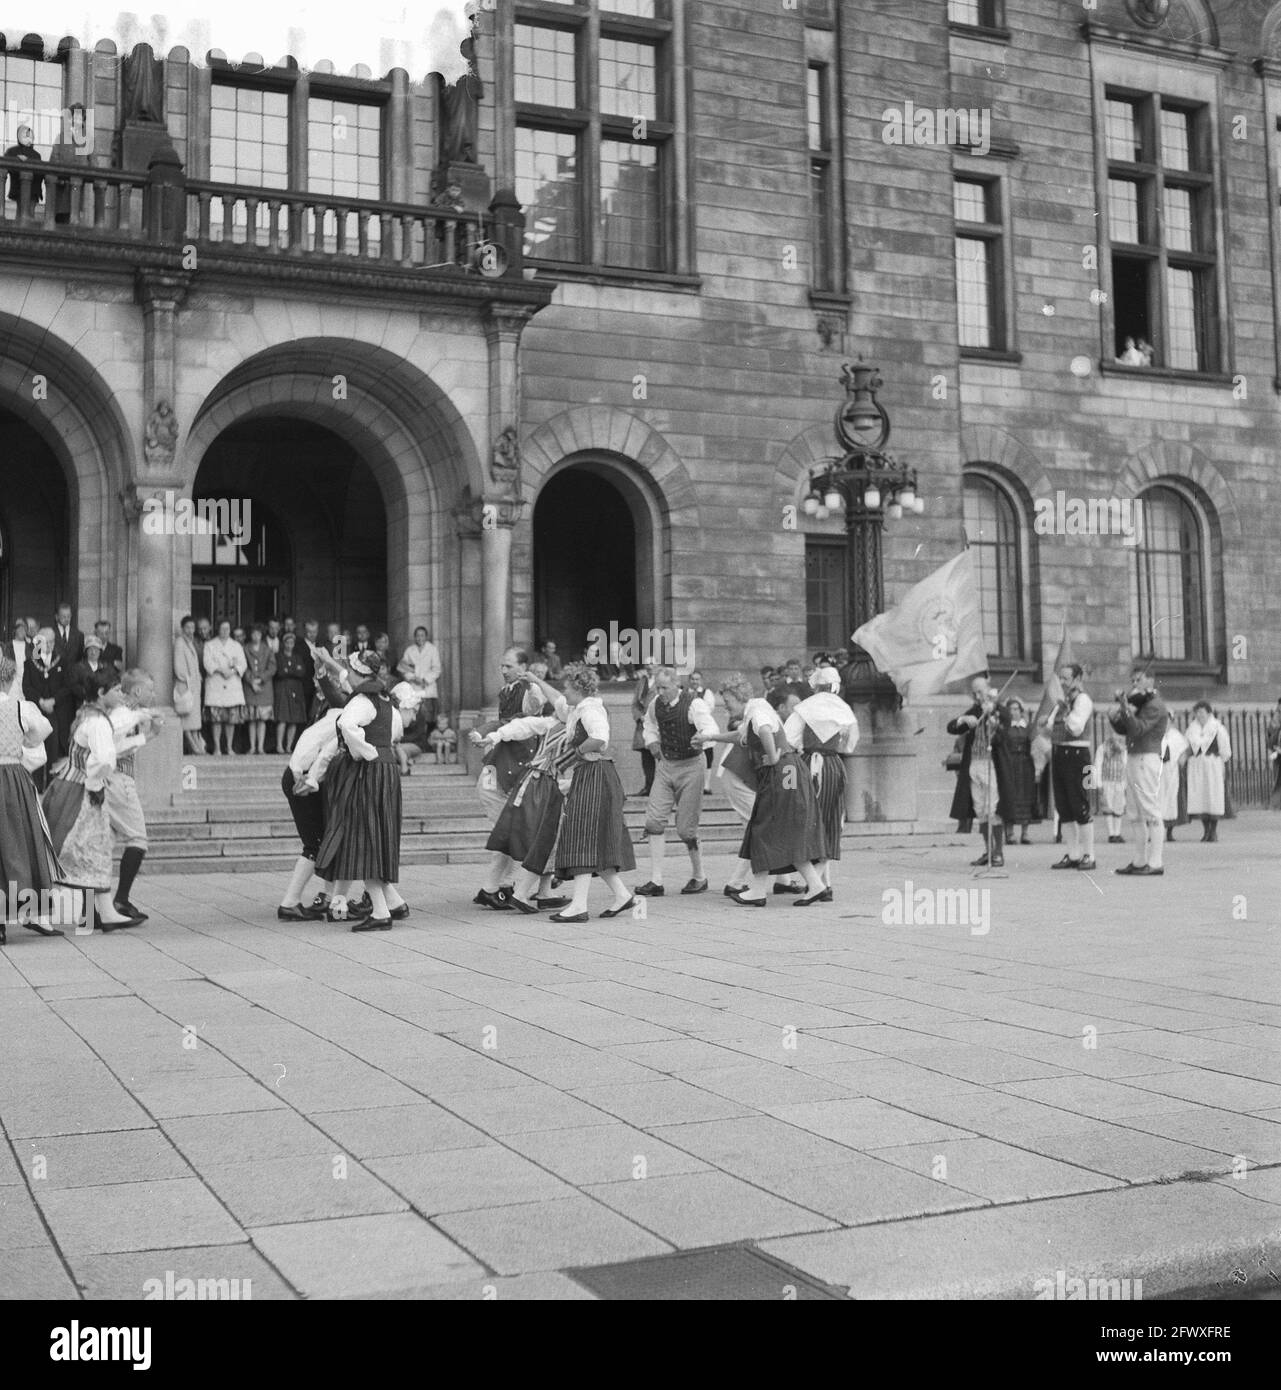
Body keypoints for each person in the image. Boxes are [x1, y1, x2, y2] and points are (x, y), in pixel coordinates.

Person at [313, 653, 413, 931]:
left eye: (350, 671)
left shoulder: (361, 701)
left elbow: (346, 724)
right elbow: (394, 733)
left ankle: (381, 912)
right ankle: (391, 903)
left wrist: (363, 752)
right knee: (377, 835)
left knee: (366, 836)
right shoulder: (385, 700)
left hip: (369, 771)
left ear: (359, 673)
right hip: (387, 771)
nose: (347, 675)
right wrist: (327, 664)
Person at [703, 685, 827, 906]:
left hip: (782, 772)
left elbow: (765, 731)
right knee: (776, 828)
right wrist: (710, 736)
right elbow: (740, 736)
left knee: (764, 826)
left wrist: (772, 756)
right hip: (788, 771)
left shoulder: (758, 712)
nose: (726, 706)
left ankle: (758, 890)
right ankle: (811, 885)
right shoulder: (756, 711)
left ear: (737, 697)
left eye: (727, 700)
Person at [41, 670, 135, 931]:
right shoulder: (98, 722)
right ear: (102, 693)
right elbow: (103, 758)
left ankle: (100, 910)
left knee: (79, 850)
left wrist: (141, 735)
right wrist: (96, 787)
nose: (121, 693)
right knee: (79, 849)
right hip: (82, 792)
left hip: (67, 785)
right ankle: (43, 912)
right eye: (116, 689)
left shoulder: (88, 714)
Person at [472, 672, 573, 912]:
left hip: (541, 783)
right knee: (513, 837)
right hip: (502, 784)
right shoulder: (537, 723)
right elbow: (511, 727)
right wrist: (487, 736)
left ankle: (525, 889)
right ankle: (494, 889)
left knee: (535, 835)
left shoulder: (563, 722)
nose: (538, 705)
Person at [545, 663, 635, 921]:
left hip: (595, 774)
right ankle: (622, 896)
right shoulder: (580, 708)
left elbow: (600, 739)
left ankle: (579, 906)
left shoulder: (590, 709)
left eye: (566, 687)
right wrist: (536, 681)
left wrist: (576, 753)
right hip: (592, 774)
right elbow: (559, 704)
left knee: (581, 836)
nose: (564, 692)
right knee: (594, 839)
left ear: (577, 687)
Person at [635, 666, 719, 898]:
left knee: (686, 828)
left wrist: (702, 737)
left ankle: (699, 876)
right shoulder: (655, 704)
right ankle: (656, 880)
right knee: (654, 820)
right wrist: (652, 743)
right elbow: (649, 725)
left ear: (676, 685)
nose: (660, 692)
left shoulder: (694, 704)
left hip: (692, 766)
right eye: (658, 687)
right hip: (666, 764)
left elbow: (711, 727)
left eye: (664, 688)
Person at [0, 653, 63, 946]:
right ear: (11, 679)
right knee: (20, 845)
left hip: (11, 777)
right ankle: (30, 911)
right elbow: (42, 731)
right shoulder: (21, 709)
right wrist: (21, 747)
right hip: (12, 780)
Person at [782, 665, 859, 895]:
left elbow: (789, 739)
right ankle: (825, 884)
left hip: (808, 764)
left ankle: (816, 881)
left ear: (815, 686)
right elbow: (850, 744)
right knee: (831, 818)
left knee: (808, 820)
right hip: (834, 765)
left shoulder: (805, 708)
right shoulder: (844, 709)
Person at [276, 701, 345, 920]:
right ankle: (290, 902)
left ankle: (327, 896)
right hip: (303, 779)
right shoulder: (346, 716)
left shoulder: (332, 714)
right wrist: (308, 779)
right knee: (315, 844)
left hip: (304, 777)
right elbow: (326, 753)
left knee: (326, 838)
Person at [104, 670, 162, 924]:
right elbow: (112, 749)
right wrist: (146, 733)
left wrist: (149, 735)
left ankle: (99, 906)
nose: (153, 694)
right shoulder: (124, 714)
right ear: (137, 691)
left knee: (105, 844)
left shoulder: (127, 713)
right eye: (150, 689)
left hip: (114, 779)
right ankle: (121, 899)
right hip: (118, 779)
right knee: (138, 838)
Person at [1109, 666, 1170, 877]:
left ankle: (1155, 861)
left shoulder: (1154, 705)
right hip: (1135, 757)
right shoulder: (1141, 703)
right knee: (1135, 812)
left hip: (1147, 758)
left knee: (1150, 810)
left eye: (1139, 679)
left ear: (1150, 681)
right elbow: (1125, 728)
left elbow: (1138, 729)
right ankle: (1139, 859)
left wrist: (1125, 707)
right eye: (1133, 679)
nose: (1134, 683)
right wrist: (1116, 716)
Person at [473, 648, 542, 828]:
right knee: (485, 786)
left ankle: (510, 830)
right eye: (502, 666)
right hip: (503, 754)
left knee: (500, 792)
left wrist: (530, 685)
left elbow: (535, 704)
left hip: (521, 756)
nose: (503, 671)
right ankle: (507, 829)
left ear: (523, 667)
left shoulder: (530, 690)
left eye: (509, 666)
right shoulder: (506, 690)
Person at [947, 675, 1006, 868]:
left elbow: (1006, 730)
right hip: (974, 766)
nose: (979, 695)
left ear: (989, 688)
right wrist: (964, 718)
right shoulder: (974, 711)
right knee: (980, 809)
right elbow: (952, 728)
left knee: (992, 808)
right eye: (976, 692)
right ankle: (988, 851)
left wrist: (994, 716)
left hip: (991, 766)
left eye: (982, 690)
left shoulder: (998, 709)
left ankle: (998, 853)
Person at [1043, 663, 1096, 872]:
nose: (1062, 682)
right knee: (1063, 806)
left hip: (1078, 756)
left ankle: (1089, 854)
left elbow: (1075, 727)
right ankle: (1073, 853)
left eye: (1066, 678)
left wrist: (1063, 714)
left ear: (1077, 679)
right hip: (1060, 754)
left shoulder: (1083, 700)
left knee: (1080, 804)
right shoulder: (1063, 702)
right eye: (1061, 678)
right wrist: (1046, 722)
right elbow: (1048, 728)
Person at [23, 628, 70, 784]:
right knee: (36, 750)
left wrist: (53, 700)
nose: (49, 645)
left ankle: (50, 787)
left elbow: (66, 687)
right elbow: (27, 687)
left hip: (55, 712)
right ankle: (35, 787)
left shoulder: (62, 661)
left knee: (53, 750)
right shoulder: (30, 662)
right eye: (45, 642)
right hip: (36, 711)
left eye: (52, 641)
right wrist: (41, 701)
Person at [994, 697, 1038, 845]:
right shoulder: (1004, 727)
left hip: (1025, 765)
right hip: (1010, 763)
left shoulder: (1027, 727)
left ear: (1021, 711)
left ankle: (1025, 833)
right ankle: (1010, 833)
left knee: (1026, 796)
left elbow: (1036, 744)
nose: (1013, 712)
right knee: (1010, 796)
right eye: (1010, 709)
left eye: (1016, 709)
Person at [1186, 701, 1230, 842]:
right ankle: (1205, 831)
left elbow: (1224, 748)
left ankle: (1213, 831)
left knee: (1213, 796)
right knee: (1201, 796)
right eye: (1197, 712)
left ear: (1209, 713)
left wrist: (1222, 761)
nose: (1199, 715)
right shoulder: (1192, 728)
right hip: (1198, 765)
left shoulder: (1217, 728)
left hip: (1212, 765)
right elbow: (1187, 745)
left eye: (1202, 712)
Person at [203, 619, 247, 756]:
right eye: (222, 629)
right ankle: (217, 748)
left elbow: (243, 664)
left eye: (227, 629)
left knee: (230, 720)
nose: (225, 631)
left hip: (232, 685)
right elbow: (207, 663)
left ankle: (229, 747)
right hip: (216, 683)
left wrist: (232, 671)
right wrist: (221, 670)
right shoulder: (210, 645)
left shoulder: (236, 646)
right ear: (218, 629)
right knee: (216, 719)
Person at [397, 626, 443, 734]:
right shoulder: (409, 650)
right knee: (416, 714)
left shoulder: (432, 649)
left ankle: (428, 739)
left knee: (430, 716)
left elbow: (437, 669)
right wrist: (413, 677)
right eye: (417, 635)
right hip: (414, 686)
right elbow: (403, 667)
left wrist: (425, 680)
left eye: (422, 635)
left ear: (426, 636)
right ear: (414, 637)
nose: (420, 638)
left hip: (428, 687)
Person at [173, 615, 205, 755]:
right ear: (182, 628)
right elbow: (179, 667)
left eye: (192, 627)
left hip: (193, 685)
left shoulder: (189, 642)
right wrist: (189, 680)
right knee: (187, 718)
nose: (190, 630)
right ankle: (194, 746)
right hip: (186, 685)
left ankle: (198, 744)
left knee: (193, 719)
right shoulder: (180, 643)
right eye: (188, 627)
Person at [273, 631, 310, 754]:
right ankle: (279, 745)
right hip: (283, 688)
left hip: (296, 689)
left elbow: (302, 672)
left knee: (293, 719)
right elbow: (280, 672)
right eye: (287, 643)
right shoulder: (278, 656)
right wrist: (293, 671)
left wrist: (289, 671)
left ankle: (289, 746)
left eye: (292, 643)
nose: (289, 645)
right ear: (283, 643)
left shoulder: (297, 657)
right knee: (282, 718)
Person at [242, 625, 276, 753]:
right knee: (252, 718)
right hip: (250, 687)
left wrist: (261, 679)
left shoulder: (268, 649)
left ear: (262, 635)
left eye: (258, 634)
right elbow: (242, 666)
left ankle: (260, 747)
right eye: (254, 634)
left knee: (262, 719)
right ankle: (252, 746)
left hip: (264, 687)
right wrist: (251, 681)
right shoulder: (245, 649)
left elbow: (272, 667)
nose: (256, 637)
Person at [1092, 728, 1128, 844]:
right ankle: (1111, 833)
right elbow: (1097, 765)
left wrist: (1126, 782)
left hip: (1119, 782)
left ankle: (1117, 832)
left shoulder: (1123, 749)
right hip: (1107, 781)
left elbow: (1126, 765)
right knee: (1108, 806)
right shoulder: (1103, 748)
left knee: (1119, 806)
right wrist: (1098, 783)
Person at [685, 670, 718, 793]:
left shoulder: (706, 693)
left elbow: (709, 709)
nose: (694, 681)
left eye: (697, 679)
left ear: (701, 680)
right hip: (689, 727)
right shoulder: (685, 693)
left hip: (703, 726)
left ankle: (706, 785)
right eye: (692, 679)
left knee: (708, 756)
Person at [1159, 720, 1189, 842]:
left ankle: (1169, 831)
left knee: (1171, 799)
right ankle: (1155, 831)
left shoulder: (1175, 735)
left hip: (1171, 770)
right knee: (1157, 800)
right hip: (1158, 770)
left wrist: (1182, 759)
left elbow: (1184, 750)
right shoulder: (1155, 733)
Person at [630, 660, 657, 797]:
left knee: (659, 755)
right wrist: (639, 716)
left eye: (652, 663)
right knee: (646, 757)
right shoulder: (642, 682)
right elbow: (635, 703)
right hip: (643, 725)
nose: (649, 666)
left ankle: (661, 788)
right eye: (647, 664)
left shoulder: (661, 681)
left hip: (657, 724)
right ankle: (649, 786)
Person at [4, 124, 44, 207]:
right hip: (22, 189)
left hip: (30, 189)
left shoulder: (36, 155)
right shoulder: (13, 152)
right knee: (24, 214)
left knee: (24, 214)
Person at [52, 602, 84, 670]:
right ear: (57, 617)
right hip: (54, 673)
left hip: (73, 674)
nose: (66, 619)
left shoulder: (79, 635)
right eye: (63, 616)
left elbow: (81, 657)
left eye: (68, 616)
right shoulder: (50, 633)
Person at [2, 619, 30, 696]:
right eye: (19, 628)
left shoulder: (31, 647)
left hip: (27, 683)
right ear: (15, 630)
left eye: (24, 629)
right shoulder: (7, 646)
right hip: (11, 684)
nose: (22, 631)